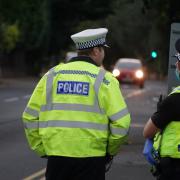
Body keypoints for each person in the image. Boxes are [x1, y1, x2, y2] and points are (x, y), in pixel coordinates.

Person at [22, 28, 131, 180]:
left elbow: (29, 117)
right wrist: (109, 151)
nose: (104, 54)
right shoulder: (105, 80)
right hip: (92, 160)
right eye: (103, 50)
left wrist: (42, 148)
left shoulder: (51, 75)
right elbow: (122, 123)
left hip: (57, 159)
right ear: (95, 51)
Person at [143, 53, 180, 180]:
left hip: (174, 166)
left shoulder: (174, 100)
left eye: (178, 60)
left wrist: (161, 110)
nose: (176, 64)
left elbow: (148, 132)